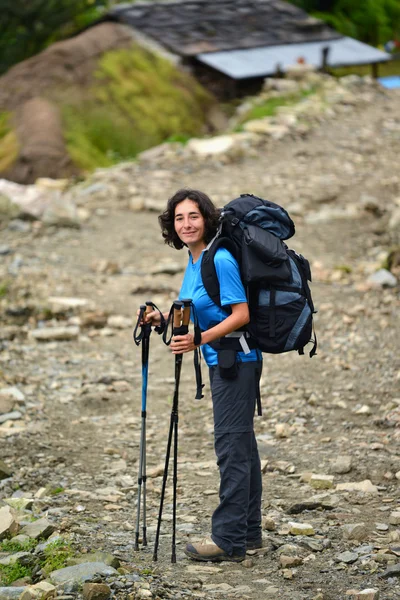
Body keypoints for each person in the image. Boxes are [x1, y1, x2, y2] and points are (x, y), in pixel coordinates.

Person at [145, 188, 262, 563]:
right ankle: (250, 531)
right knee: (241, 445)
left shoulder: (221, 258)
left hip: (236, 362)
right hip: (223, 359)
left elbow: (240, 314)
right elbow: (196, 309)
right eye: (179, 218)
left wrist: (199, 340)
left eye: (193, 216)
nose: (186, 224)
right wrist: (161, 319)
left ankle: (228, 540)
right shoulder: (196, 260)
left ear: (207, 219)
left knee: (230, 447)